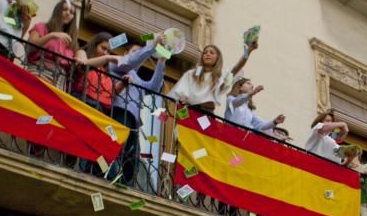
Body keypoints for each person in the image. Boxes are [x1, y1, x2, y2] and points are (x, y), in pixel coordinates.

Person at [108, 39, 168, 184]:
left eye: (141, 55)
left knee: (133, 156)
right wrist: (152, 46)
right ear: (125, 54)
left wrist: (161, 61)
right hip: (119, 112)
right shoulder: (116, 65)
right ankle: (109, 178)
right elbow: (130, 62)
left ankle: (125, 185)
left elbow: (154, 87)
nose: (139, 57)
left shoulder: (139, 80)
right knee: (116, 149)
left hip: (134, 121)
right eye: (135, 53)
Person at [168, 41, 256, 113]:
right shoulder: (191, 74)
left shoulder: (220, 77)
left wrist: (248, 51)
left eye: (211, 53)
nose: (207, 54)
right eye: (205, 53)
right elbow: (179, 93)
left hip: (207, 113)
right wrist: (182, 98)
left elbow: (236, 68)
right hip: (189, 111)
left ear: (218, 58)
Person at [27, 0, 78, 87]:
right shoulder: (42, 27)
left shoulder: (71, 40)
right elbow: (31, 46)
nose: (68, 13)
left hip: (60, 81)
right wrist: (52, 35)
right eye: (65, 9)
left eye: (72, 12)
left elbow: (80, 60)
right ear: (57, 11)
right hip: (40, 72)